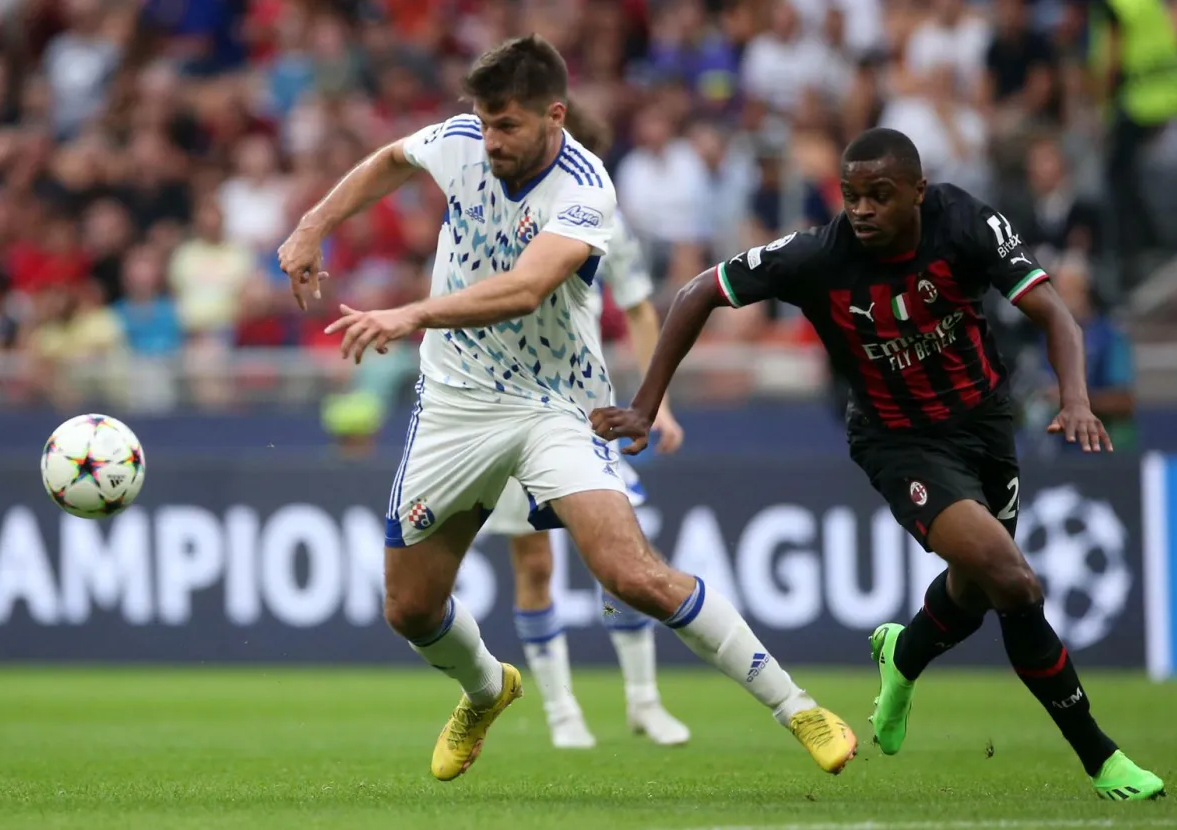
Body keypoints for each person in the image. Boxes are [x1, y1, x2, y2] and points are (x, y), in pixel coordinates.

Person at [277, 34, 857, 782]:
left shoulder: (587, 190)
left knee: (630, 573)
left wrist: (410, 313)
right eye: (483, 123)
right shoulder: (459, 142)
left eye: (507, 126)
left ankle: (797, 706)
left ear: (554, 116)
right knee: (409, 609)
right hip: (455, 404)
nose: (490, 141)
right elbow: (392, 159)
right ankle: (486, 689)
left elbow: (525, 288)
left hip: (557, 405)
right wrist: (313, 224)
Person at [592, 127, 1164, 802]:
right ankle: (1101, 758)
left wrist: (1076, 398)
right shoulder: (818, 255)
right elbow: (697, 293)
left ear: (918, 192)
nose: (861, 210)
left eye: (879, 196)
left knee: (974, 591)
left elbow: (1055, 314)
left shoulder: (967, 223)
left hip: (984, 425)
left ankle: (904, 655)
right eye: (852, 195)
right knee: (1013, 580)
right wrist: (645, 404)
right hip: (899, 442)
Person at [477, 104, 690, 750]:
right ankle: (562, 711)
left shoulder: (605, 220)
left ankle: (643, 701)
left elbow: (639, 310)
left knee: (621, 558)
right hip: (507, 408)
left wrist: (663, 404)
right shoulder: (493, 205)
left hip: (580, 409)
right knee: (534, 563)